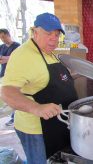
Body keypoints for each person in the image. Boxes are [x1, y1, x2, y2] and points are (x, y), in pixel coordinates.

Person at [0, 13, 78, 163]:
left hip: (56, 124)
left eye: (56, 35)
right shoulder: (23, 55)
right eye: (48, 33)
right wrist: (37, 108)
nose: (53, 38)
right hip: (36, 130)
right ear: (35, 32)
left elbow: (50, 80)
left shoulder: (49, 53)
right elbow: (7, 91)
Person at [0, 29, 20, 126]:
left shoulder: (17, 46)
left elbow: (16, 58)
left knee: (14, 97)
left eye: (3, 37)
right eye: (0, 37)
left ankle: (13, 118)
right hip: (4, 74)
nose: (2, 39)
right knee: (6, 97)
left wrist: (6, 59)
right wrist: (6, 58)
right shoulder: (1, 47)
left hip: (15, 75)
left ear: (8, 35)